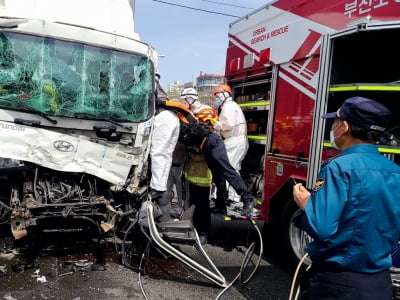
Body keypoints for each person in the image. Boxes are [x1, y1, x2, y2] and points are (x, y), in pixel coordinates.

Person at [292, 96, 400, 299]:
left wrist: (307, 204)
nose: (332, 128)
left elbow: (322, 227)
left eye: (334, 122)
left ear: (344, 127)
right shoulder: (395, 170)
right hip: (379, 283)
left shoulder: (339, 167)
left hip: (337, 283)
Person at [158, 99, 255, 216]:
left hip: (213, 142)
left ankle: (248, 198)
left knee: (227, 170)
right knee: (218, 177)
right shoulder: (173, 125)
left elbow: (178, 106)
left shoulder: (188, 118)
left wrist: (160, 102)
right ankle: (221, 205)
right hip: (206, 148)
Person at [149, 72, 180, 222]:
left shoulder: (149, 82)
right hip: (172, 118)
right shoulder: (158, 85)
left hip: (163, 118)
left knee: (158, 153)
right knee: (166, 155)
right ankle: (160, 186)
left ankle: (157, 187)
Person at [213, 83, 249, 210]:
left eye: (217, 95)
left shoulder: (228, 106)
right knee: (234, 168)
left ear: (224, 94)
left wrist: (215, 124)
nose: (216, 98)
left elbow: (228, 125)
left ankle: (232, 198)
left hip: (234, 141)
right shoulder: (232, 105)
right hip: (237, 141)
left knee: (228, 169)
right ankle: (234, 197)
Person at [183, 108, 216, 244]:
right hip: (192, 177)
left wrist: (196, 151)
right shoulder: (197, 134)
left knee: (203, 208)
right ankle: (194, 230)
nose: (202, 123)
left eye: (204, 121)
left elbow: (204, 157)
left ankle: (205, 234)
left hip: (203, 180)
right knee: (193, 207)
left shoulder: (212, 138)